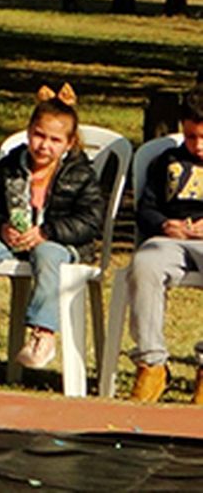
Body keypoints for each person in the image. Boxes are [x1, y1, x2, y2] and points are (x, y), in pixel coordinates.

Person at [0, 85, 101, 373]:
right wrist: (0, 227)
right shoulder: (8, 167)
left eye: (54, 140)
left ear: (69, 143)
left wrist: (48, 232)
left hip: (59, 244)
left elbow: (90, 220)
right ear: (28, 131)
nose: (44, 145)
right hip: (13, 240)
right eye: (38, 135)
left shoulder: (80, 174)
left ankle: (43, 334)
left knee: (47, 255)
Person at [123, 90, 203, 402]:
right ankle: (152, 364)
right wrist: (164, 225)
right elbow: (145, 208)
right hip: (171, 241)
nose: (198, 146)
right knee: (144, 265)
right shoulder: (165, 162)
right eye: (191, 136)